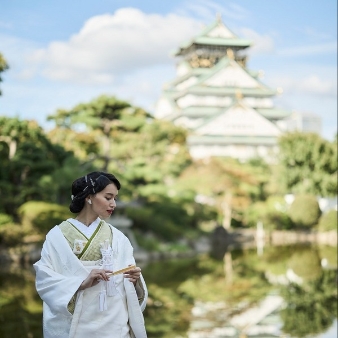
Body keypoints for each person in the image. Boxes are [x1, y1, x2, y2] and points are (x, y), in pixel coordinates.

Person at [33, 171, 148, 338]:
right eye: (108, 198)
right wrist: (81, 282)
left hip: (114, 322)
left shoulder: (119, 238)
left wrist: (135, 279)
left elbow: (128, 279)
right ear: (89, 197)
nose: (113, 204)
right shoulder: (57, 236)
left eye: (115, 198)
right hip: (78, 324)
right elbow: (45, 279)